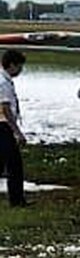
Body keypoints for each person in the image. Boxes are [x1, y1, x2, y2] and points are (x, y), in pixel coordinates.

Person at [0, 50, 28, 207]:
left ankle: (17, 200)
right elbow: (5, 109)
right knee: (14, 165)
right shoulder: (3, 83)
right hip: (3, 126)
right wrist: (17, 132)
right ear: (11, 65)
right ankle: (16, 201)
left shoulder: (3, 79)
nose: (20, 71)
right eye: (19, 67)